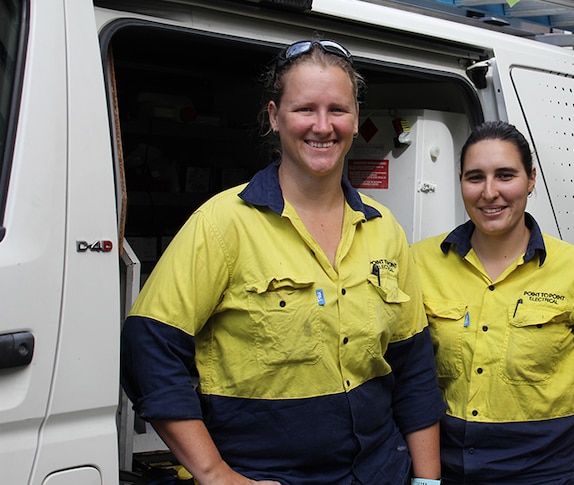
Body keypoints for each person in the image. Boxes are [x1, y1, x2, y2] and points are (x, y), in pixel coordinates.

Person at [121, 39, 446, 485]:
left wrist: (427, 481)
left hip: (379, 472)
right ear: (274, 116)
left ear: (355, 120)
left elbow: (413, 370)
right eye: (304, 109)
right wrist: (215, 474)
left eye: (338, 110)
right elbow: (148, 350)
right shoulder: (223, 224)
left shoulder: (383, 228)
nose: (322, 125)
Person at [411, 121, 574, 485]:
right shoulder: (418, 263)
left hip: (542, 474)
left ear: (531, 179)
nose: (489, 192)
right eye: (475, 177)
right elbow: (403, 377)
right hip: (441, 472)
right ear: (460, 181)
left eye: (505, 175)